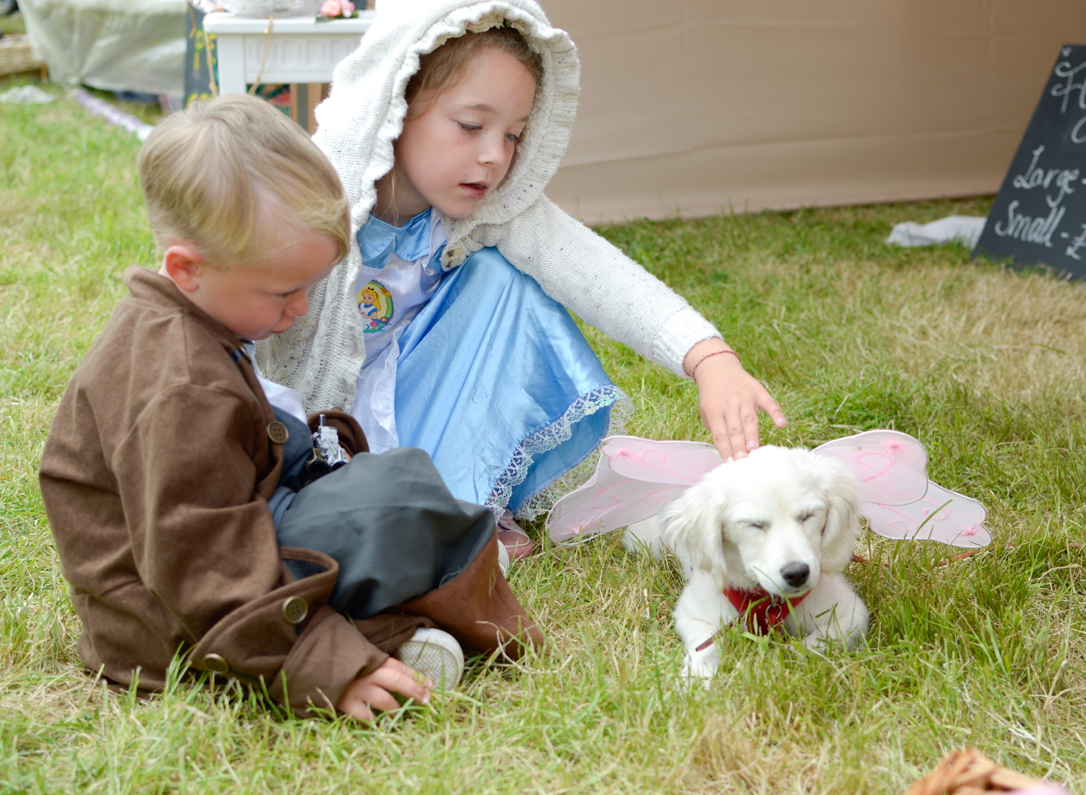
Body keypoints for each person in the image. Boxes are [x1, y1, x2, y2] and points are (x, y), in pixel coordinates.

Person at [38, 94, 541, 724]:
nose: (300, 310)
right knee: (390, 505)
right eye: (283, 292)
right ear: (186, 268)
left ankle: (396, 624)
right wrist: (325, 669)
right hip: (170, 628)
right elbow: (206, 569)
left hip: (223, 554)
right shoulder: (178, 388)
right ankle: (367, 640)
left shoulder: (192, 320)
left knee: (390, 486)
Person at [259, 0, 787, 560]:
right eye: (470, 126)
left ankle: (468, 505)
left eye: (513, 135)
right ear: (398, 103)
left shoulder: (489, 210)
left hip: (415, 407)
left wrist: (709, 357)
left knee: (498, 278)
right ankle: (415, 522)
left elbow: (595, 272)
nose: (493, 156)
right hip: (323, 435)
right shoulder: (314, 206)